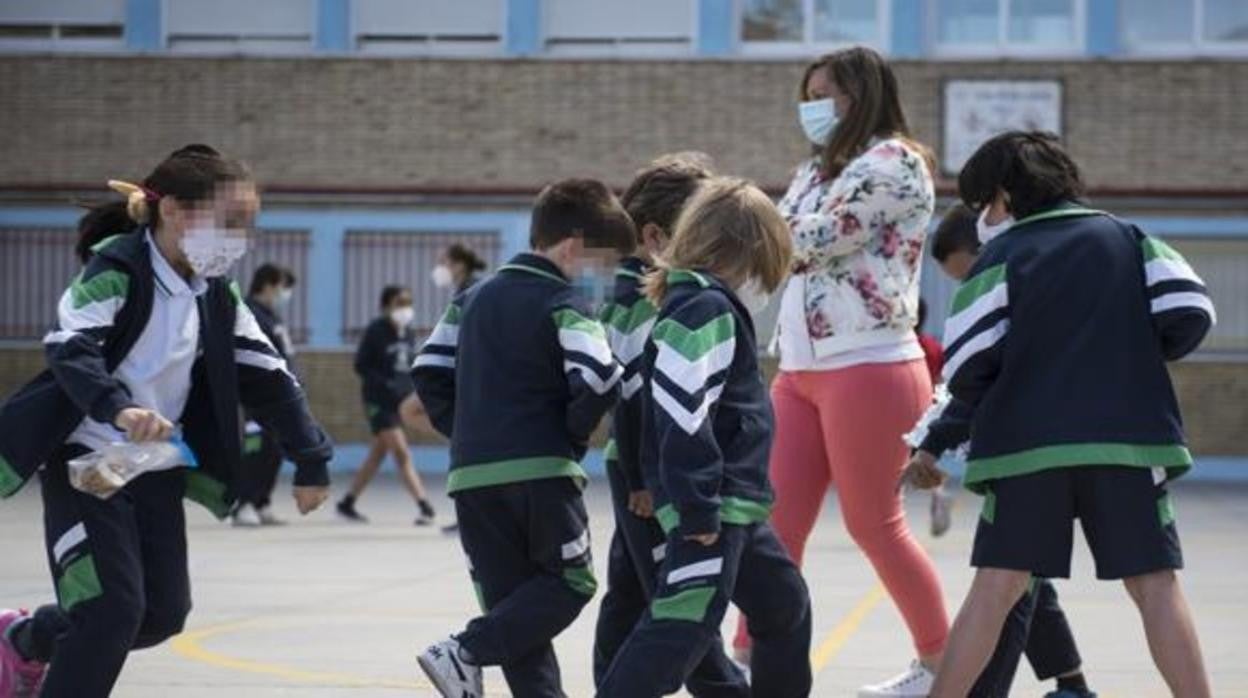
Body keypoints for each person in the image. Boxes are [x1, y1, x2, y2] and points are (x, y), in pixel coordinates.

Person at [0, 144, 332, 698]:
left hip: (151, 467)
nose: (239, 239)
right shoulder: (115, 270)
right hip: (87, 464)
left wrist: (311, 456)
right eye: (229, 223)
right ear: (174, 210)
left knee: (160, 614)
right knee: (110, 612)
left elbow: (268, 374)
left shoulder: (216, 296)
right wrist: (117, 407)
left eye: (247, 226)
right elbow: (71, 347)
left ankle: (27, 641)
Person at [902, 131, 1213, 698]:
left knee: (996, 588)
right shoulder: (1129, 237)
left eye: (981, 207)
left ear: (1003, 196)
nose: (981, 220)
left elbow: (969, 365)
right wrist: (1134, 357)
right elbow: (1191, 308)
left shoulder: (999, 258)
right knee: (1155, 586)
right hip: (1129, 444)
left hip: (1027, 451)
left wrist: (935, 441)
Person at [733, 46, 948, 697]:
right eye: (809, 93)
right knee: (772, 523)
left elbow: (812, 238)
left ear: (860, 95)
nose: (813, 107)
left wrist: (756, 227)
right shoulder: (813, 169)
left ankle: (941, 667)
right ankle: (744, 659)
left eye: (825, 93)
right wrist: (766, 229)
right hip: (798, 368)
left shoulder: (895, 164)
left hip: (870, 363)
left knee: (874, 525)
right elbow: (781, 234)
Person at [411, 178, 633, 698]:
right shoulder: (565, 300)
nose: (605, 280)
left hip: (471, 478)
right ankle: (465, 650)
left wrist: (469, 431)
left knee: (514, 606)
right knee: (569, 583)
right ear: (573, 246)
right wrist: (571, 432)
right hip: (541, 473)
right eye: (604, 265)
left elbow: (427, 370)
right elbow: (602, 377)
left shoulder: (471, 298)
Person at [597, 177, 810, 698]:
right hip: (713, 506)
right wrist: (695, 507)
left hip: (736, 507)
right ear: (748, 254)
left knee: (784, 605)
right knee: (679, 626)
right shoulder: (704, 310)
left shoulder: (700, 304)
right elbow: (680, 413)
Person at [920, 202, 1097, 697]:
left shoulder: (1030, 298)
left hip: (1043, 454)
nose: (969, 287)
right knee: (1026, 584)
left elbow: (980, 382)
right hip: (1013, 456)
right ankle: (1072, 684)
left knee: (1008, 589)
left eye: (970, 273)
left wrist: (935, 445)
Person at [592, 153, 747, 696]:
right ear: (659, 235)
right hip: (647, 470)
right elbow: (634, 397)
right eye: (702, 226)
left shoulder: (644, 287)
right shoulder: (642, 296)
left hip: (641, 465)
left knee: (632, 593)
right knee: (678, 600)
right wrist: (640, 478)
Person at [336, 285, 437, 525]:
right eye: (398, 304)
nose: (404, 309)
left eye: (407, 303)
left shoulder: (409, 333)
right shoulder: (375, 331)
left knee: (377, 455)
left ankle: (347, 503)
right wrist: (385, 384)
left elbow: (410, 366)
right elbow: (361, 365)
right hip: (378, 401)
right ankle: (424, 506)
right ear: (386, 306)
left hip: (399, 402)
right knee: (401, 452)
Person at [429, 242, 488, 536]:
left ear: (460, 264)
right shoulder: (466, 288)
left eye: (445, 262)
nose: (441, 269)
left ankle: (469, 511)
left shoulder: (472, 290)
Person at [232, 262, 298, 527]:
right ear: (268, 285)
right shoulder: (250, 314)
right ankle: (243, 503)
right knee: (256, 449)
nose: (284, 293)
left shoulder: (272, 315)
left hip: (281, 394)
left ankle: (262, 502)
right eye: (282, 287)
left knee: (274, 450)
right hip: (258, 394)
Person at [914, 298, 954, 538]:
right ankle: (939, 494)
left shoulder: (902, 348)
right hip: (927, 413)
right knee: (931, 461)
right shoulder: (932, 346)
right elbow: (942, 381)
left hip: (903, 412)